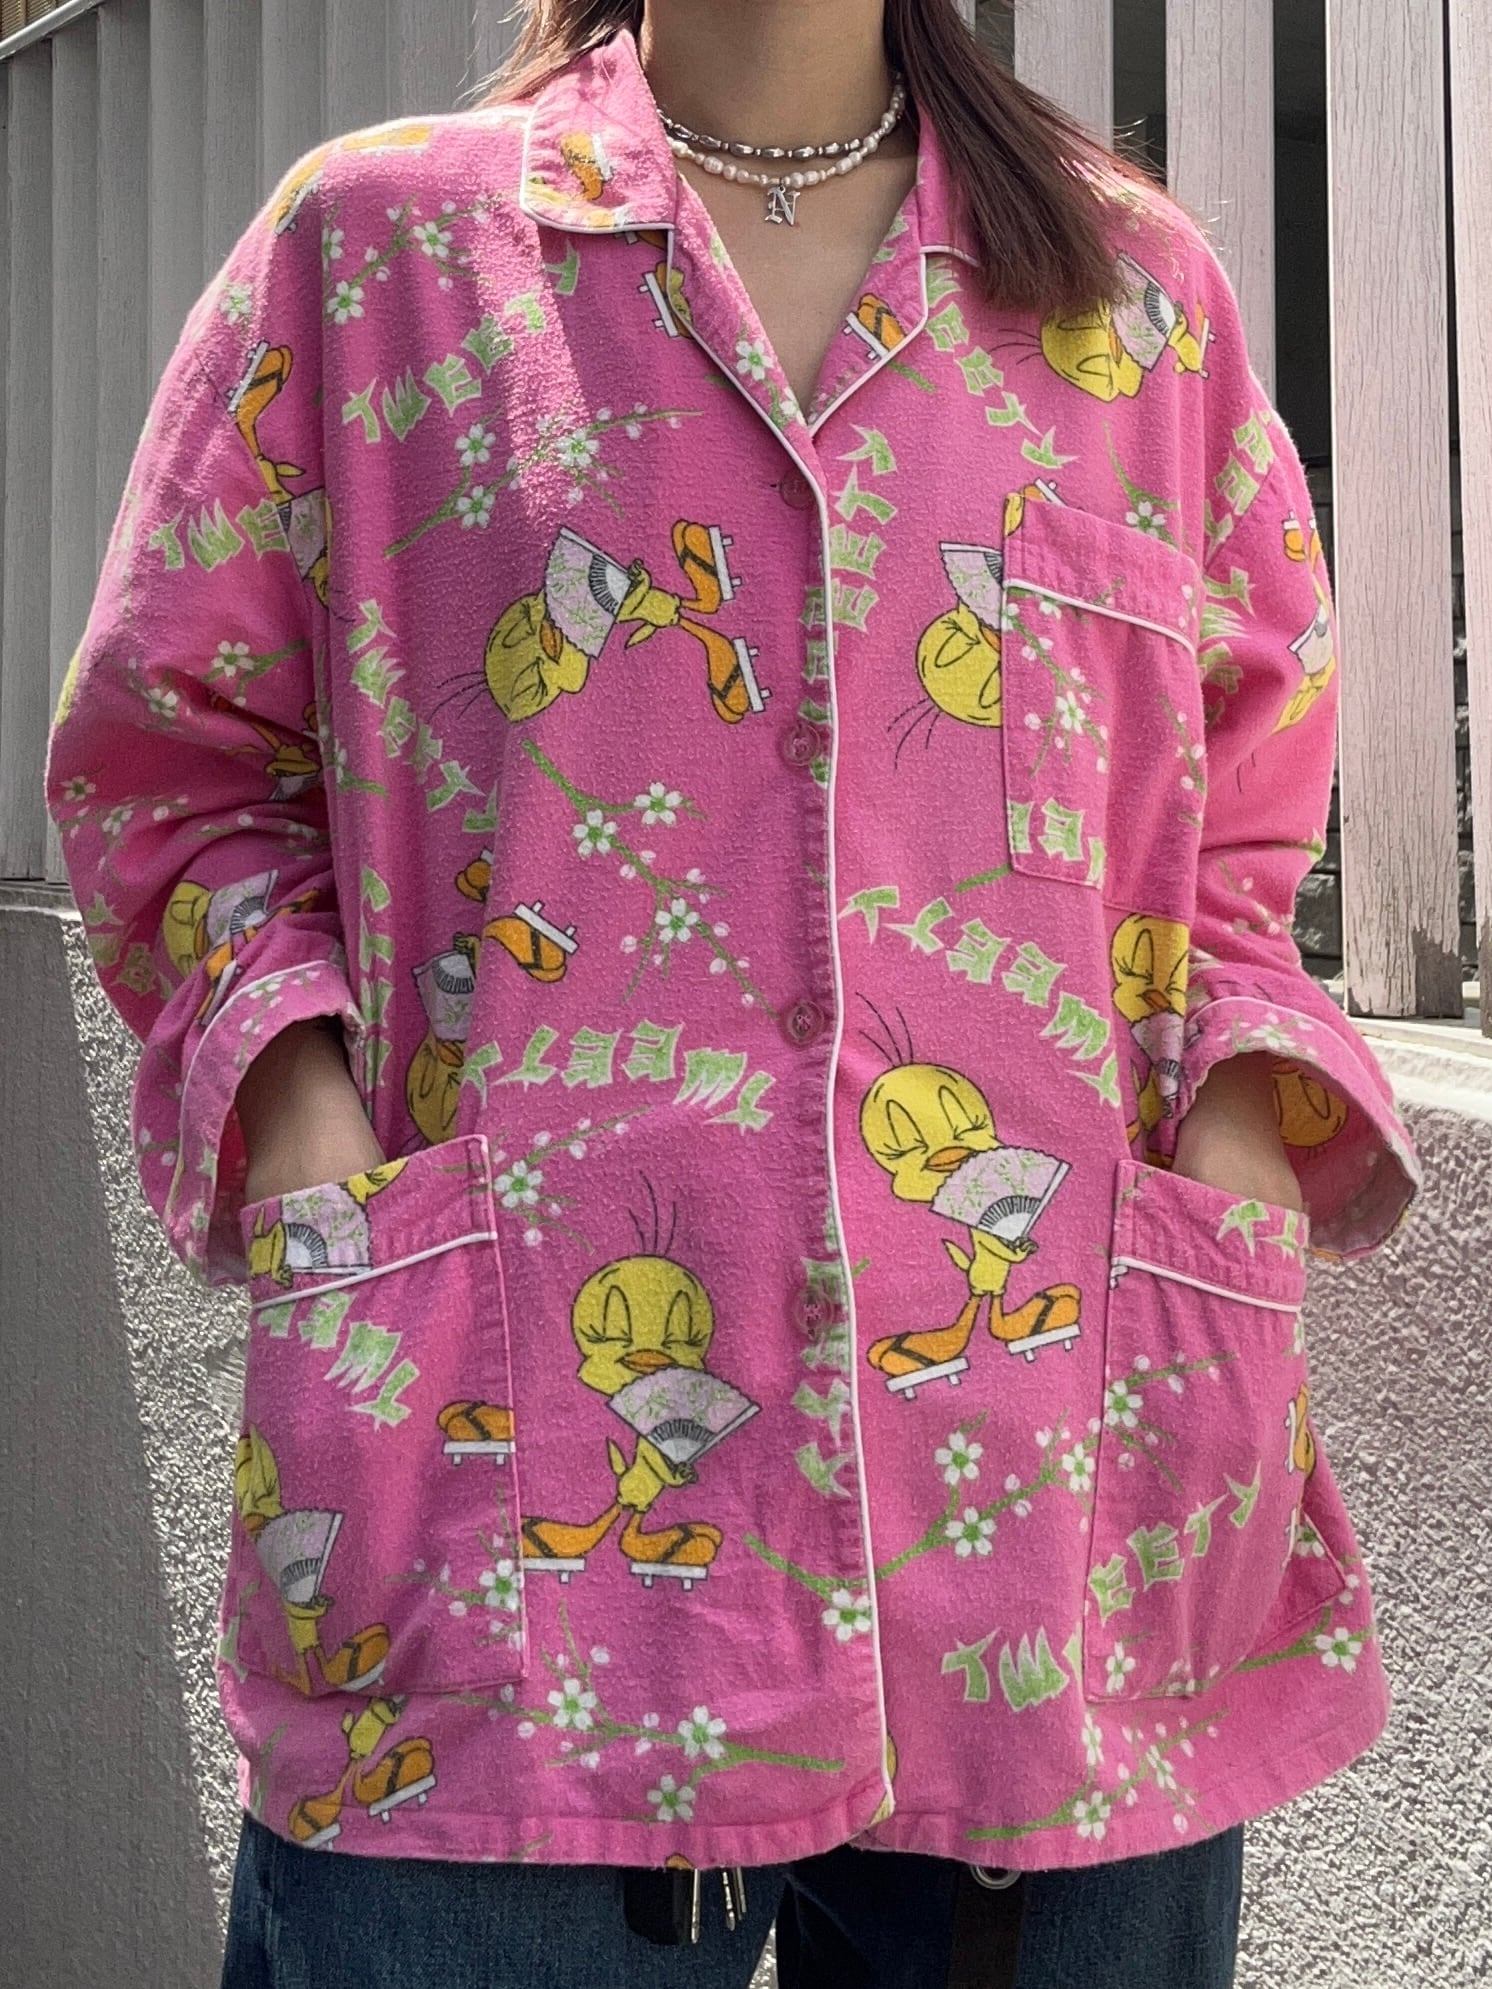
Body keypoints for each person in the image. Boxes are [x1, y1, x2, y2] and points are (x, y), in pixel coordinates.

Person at [47, 2, 1419, 1984]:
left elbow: (1240, 801)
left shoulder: (1132, 297)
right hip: (518, 1554)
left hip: (1051, 1528)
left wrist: (1231, 1132)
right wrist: (299, 1114)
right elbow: (170, 763)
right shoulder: (378, 260)